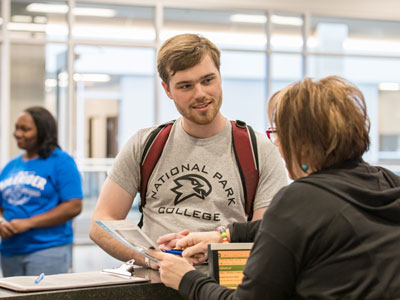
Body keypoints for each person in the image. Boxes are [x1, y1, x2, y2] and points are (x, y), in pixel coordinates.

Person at [151, 76, 400, 299]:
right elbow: (305, 226)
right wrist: (225, 236)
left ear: (301, 142)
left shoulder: (300, 198)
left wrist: (187, 280)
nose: (277, 144)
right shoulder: (386, 183)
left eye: (278, 133)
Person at [89, 33, 287, 268]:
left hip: (223, 288)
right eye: (185, 86)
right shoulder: (145, 144)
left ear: (220, 77)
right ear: (167, 89)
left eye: (207, 80)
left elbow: (268, 237)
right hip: (152, 285)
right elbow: (101, 224)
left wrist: (213, 247)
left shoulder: (259, 151)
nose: (200, 93)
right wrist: (153, 258)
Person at [0, 106, 83, 277]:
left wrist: (28, 223)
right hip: (10, 250)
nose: (17, 133)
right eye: (17, 128)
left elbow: (74, 206)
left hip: (48, 249)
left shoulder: (61, 161)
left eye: (25, 129)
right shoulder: (11, 166)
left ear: (43, 132)